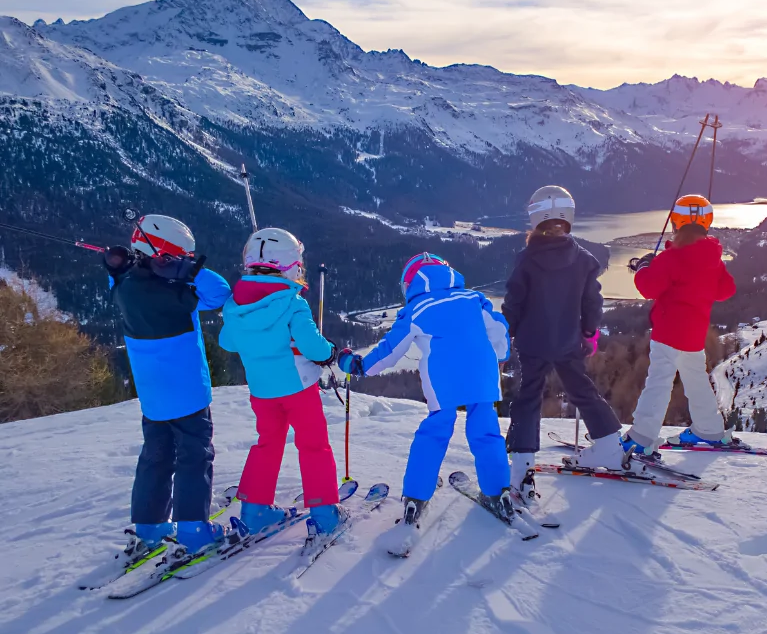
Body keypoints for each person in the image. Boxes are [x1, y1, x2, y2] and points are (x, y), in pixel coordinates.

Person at [337, 253, 511, 546]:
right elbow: (499, 329)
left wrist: (358, 365)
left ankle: (415, 498)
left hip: (443, 379)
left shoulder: (416, 310)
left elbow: (390, 350)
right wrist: (502, 354)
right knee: (486, 431)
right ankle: (498, 493)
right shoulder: (474, 299)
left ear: (409, 284)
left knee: (434, 432)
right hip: (482, 374)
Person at [104, 215, 231, 556]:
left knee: (155, 457)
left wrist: (126, 265)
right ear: (166, 256)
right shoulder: (177, 292)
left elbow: (117, 277)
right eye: (181, 256)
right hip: (188, 393)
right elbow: (220, 293)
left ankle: (149, 528)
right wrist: (187, 271)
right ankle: (193, 531)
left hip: (152, 396)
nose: (186, 261)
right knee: (194, 457)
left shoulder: (123, 286)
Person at [218, 228, 341, 540]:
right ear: (291, 265)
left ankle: (254, 510)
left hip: (261, 391)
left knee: (267, 444)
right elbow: (313, 347)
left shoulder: (234, 304)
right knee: (313, 445)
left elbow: (228, 342)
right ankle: (324, 514)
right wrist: (329, 352)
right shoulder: (291, 302)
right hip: (299, 388)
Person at [503, 185, 626, 485]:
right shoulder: (584, 259)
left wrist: (506, 335)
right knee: (582, 389)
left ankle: (522, 465)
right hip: (569, 341)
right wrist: (589, 332)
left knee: (529, 397)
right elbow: (592, 302)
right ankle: (610, 446)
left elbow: (514, 303)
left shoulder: (526, 259)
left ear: (535, 218)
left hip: (532, 343)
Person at [622, 194, 737, 454]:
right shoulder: (712, 258)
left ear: (676, 223)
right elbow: (726, 290)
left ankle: (641, 437)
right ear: (707, 222)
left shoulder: (671, 258)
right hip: (694, 335)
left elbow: (648, 288)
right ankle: (709, 429)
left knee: (659, 382)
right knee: (696, 380)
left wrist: (643, 267)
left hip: (668, 333)